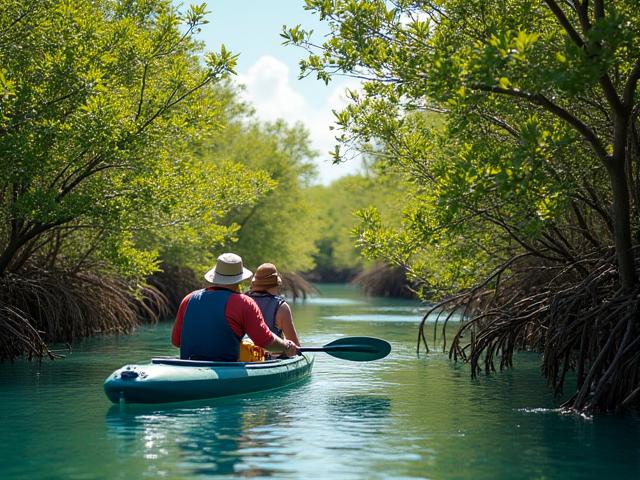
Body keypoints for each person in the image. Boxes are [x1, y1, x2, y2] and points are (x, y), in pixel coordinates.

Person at [171, 253, 298, 361]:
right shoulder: (244, 302)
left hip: (188, 366)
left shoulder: (188, 298)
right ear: (240, 279)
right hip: (227, 370)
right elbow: (265, 341)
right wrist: (286, 346)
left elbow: (176, 341)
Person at [247, 263, 301, 347]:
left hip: (243, 355)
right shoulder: (282, 307)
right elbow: (295, 345)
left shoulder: (241, 300)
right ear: (276, 284)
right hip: (271, 357)